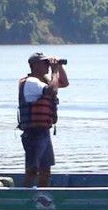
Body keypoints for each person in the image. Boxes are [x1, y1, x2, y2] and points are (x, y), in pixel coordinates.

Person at [17, 52, 70, 187]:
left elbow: (64, 83)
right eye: (44, 63)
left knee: (45, 170)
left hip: (44, 132)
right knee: (32, 170)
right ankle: (22, 199)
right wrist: (55, 70)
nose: (47, 65)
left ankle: (42, 196)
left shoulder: (44, 80)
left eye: (48, 62)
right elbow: (52, 90)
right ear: (34, 66)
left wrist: (58, 67)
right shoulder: (32, 82)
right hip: (34, 133)